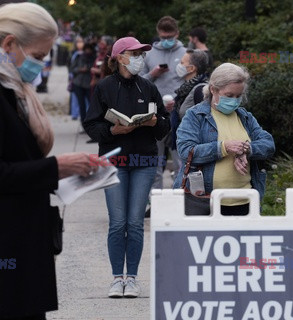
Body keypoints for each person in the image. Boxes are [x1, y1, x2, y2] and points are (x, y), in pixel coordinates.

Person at [0, 3, 95, 319]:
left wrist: (66, 171)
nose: (42, 66)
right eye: (39, 56)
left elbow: (16, 160)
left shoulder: (8, 86)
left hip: (18, 240)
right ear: (9, 44)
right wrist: (56, 167)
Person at [83, 37, 170, 298]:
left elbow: (165, 126)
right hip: (114, 162)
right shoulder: (104, 87)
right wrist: (113, 129)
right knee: (117, 222)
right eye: (135, 54)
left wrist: (154, 122)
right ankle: (116, 278)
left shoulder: (148, 87)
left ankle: (132, 278)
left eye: (142, 54)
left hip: (144, 162)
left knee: (134, 223)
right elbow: (91, 125)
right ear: (119, 57)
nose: (140, 59)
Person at [174, 63, 275, 216]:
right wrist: (223, 147)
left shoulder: (245, 116)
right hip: (205, 202)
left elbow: (268, 144)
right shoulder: (195, 116)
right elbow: (186, 151)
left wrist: (246, 149)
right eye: (229, 96)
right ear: (213, 89)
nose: (234, 101)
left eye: (238, 96)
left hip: (246, 201)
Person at [140, 16, 186, 191]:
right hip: (155, 113)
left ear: (177, 33)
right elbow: (140, 81)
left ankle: (181, 199)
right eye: (163, 37)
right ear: (158, 34)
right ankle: (154, 202)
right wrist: (153, 73)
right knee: (155, 160)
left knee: (180, 160)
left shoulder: (186, 54)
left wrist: (179, 101)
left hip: (178, 113)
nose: (166, 41)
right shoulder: (150, 54)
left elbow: (193, 81)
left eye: (170, 37)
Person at [170, 49, 210, 179]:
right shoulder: (186, 88)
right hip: (186, 143)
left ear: (191, 68)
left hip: (194, 147)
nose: (179, 66)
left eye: (182, 62)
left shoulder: (200, 90)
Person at [70, 43, 96, 125]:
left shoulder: (94, 58)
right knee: (81, 105)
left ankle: (91, 123)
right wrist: (80, 69)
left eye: (89, 49)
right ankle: (83, 123)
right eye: (86, 49)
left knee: (91, 104)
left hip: (89, 84)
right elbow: (72, 68)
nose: (88, 51)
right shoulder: (79, 57)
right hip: (78, 83)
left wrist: (88, 69)